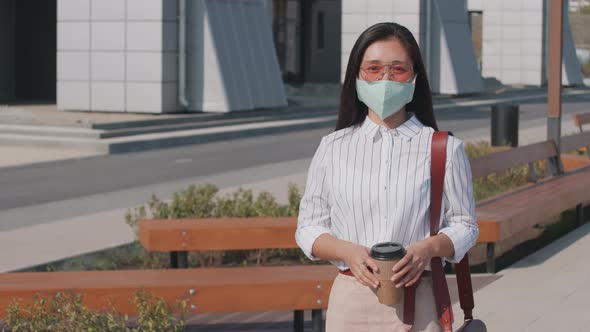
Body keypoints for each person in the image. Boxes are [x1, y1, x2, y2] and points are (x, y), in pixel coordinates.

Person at [295, 22, 479, 332]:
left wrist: (428, 249)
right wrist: (346, 252)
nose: (385, 79)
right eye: (374, 68)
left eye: (398, 70)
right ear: (357, 76)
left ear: (414, 78)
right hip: (350, 302)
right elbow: (309, 228)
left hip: (419, 300)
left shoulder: (445, 148)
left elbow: (465, 225)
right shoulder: (332, 148)